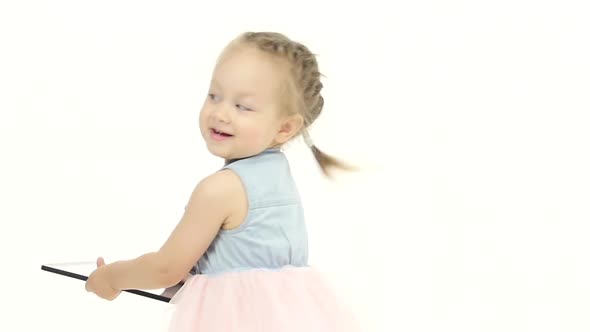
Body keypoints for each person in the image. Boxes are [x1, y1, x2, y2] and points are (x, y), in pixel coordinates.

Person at [85, 31, 360, 331]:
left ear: (284, 127)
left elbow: (166, 268)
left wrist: (111, 278)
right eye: (214, 96)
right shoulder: (278, 177)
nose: (221, 113)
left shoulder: (219, 190)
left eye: (243, 106)